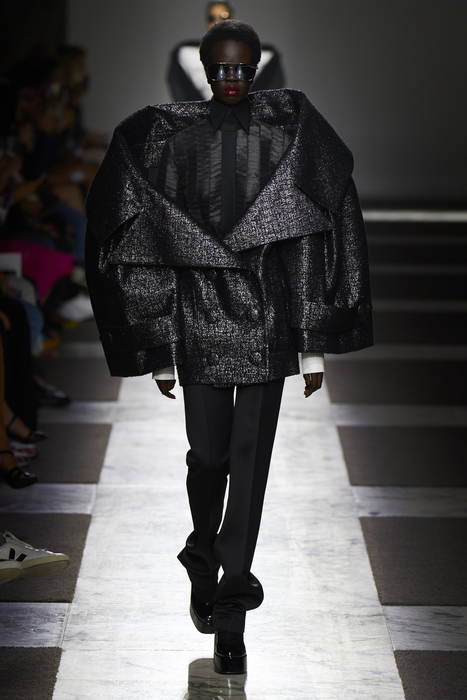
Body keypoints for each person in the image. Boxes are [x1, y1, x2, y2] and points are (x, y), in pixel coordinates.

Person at [86, 20, 373, 674]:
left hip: (268, 316)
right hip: (196, 316)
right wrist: (159, 345)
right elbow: (146, 239)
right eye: (222, 69)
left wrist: (310, 344)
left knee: (249, 465)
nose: (233, 79)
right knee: (207, 459)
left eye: (244, 68)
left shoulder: (288, 134)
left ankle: (232, 611)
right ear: (205, 68)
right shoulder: (165, 138)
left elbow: (307, 236)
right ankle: (201, 553)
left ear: (258, 66)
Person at [167, 2, 285, 101]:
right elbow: (180, 92)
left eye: (224, 16)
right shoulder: (186, 56)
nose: (217, 21)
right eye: (212, 18)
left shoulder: (266, 56)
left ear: (233, 18)